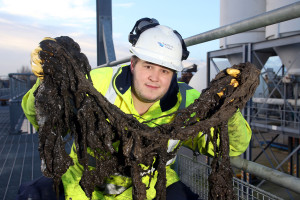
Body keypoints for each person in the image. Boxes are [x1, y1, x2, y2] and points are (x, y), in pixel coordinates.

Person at [17, 17, 252, 200]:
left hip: (151, 185)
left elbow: (233, 146)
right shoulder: (97, 83)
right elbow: (43, 119)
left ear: (174, 74)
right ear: (133, 63)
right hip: (84, 182)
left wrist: (227, 110)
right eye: (148, 66)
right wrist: (47, 83)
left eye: (165, 71)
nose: (155, 78)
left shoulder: (189, 102)